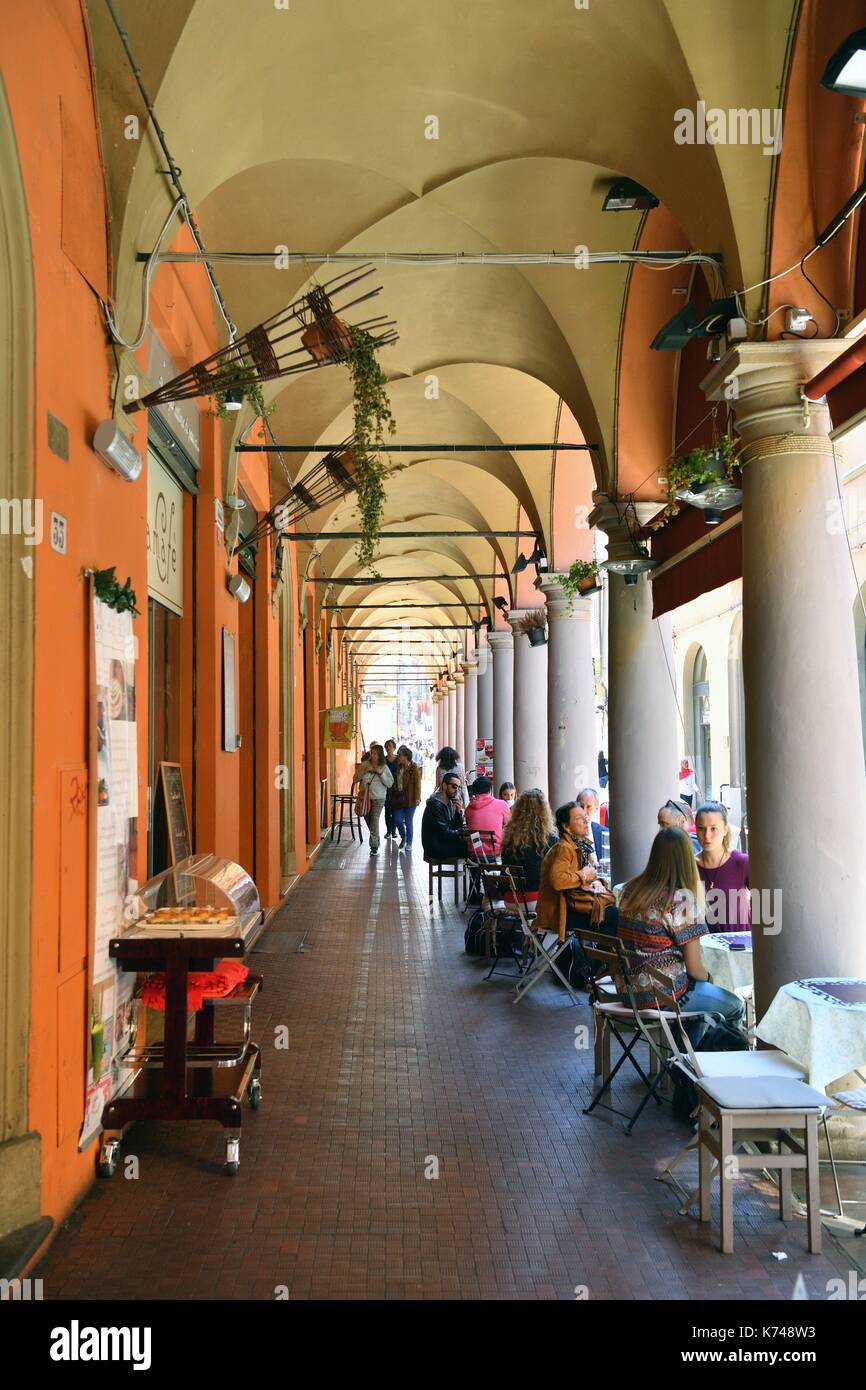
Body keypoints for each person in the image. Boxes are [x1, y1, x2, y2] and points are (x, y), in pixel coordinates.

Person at [617, 827, 744, 1040]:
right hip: (665, 997)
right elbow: (695, 971)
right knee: (735, 1006)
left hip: (629, 991)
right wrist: (714, 979)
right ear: (686, 859)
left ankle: (685, 1061)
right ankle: (706, 1065)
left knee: (699, 1006)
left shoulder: (629, 891)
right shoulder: (681, 902)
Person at [535, 801, 617, 948]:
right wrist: (584, 876)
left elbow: (583, 875)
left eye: (585, 816)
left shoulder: (579, 846)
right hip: (560, 913)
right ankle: (603, 965)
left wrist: (596, 881)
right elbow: (558, 880)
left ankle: (600, 964)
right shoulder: (564, 848)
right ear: (566, 827)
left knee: (611, 918)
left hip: (572, 906)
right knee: (614, 917)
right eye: (579, 818)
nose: (586, 820)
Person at [694, 800, 751, 931]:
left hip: (738, 946)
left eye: (713, 828)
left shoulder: (741, 862)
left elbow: (764, 899)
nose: (707, 835)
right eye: (701, 828)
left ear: (725, 830)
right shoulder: (689, 865)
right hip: (703, 946)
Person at [500, 789, 558, 908]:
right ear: (544, 811)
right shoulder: (550, 839)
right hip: (536, 899)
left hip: (510, 899)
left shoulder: (509, 837)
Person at [356, 744, 393, 857]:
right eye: (371, 753)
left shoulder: (384, 767)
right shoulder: (364, 765)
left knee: (374, 820)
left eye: (375, 753)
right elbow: (355, 778)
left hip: (378, 798)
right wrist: (363, 772)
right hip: (364, 798)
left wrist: (379, 772)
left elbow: (390, 783)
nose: (373, 755)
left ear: (380, 755)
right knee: (368, 819)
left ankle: (374, 847)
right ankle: (376, 841)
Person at [421, 771, 466, 863]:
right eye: (454, 786)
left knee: (474, 847)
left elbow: (454, 827)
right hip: (435, 848)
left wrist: (458, 811)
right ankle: (481, 875)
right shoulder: (435, 805)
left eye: (459, 787)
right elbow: (445, 833)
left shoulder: (448, 802)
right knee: (471, 848)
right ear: (444, 786)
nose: (457, 790)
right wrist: (461, 833)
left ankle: (477, 876)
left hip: (442, 844)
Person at [464, 776, 511, 858]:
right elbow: (510, 825)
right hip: (495, 851)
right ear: (490, 790)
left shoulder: (468, 808)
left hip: (474, 853)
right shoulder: (502, 804)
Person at [391, 744, 422, 851]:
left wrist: (417, 797)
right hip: (398, 798)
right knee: (398, 820)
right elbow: (395, 781)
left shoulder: (414, 768)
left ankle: (409, 843)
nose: (397, 756)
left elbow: (418, 784)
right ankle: (403, 836)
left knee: (408, 821)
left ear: (406, 757)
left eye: (399, 755)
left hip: (410, 799)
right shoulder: (398, 767)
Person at [576, 787, 605, 861]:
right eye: (581, 806)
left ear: (596, 809)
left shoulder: (605, 833)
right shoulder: (567, 833)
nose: (584, 811)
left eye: (588, 807)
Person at [383, 738, 400, 840]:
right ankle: (388, 831)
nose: (388, 748)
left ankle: (394, 831)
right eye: (387, 746)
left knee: (395, 811)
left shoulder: (399, 759)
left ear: (394, 748)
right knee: (387, 811)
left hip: (397, 788)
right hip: (386, 788)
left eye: (390, 746)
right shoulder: (384, 760)